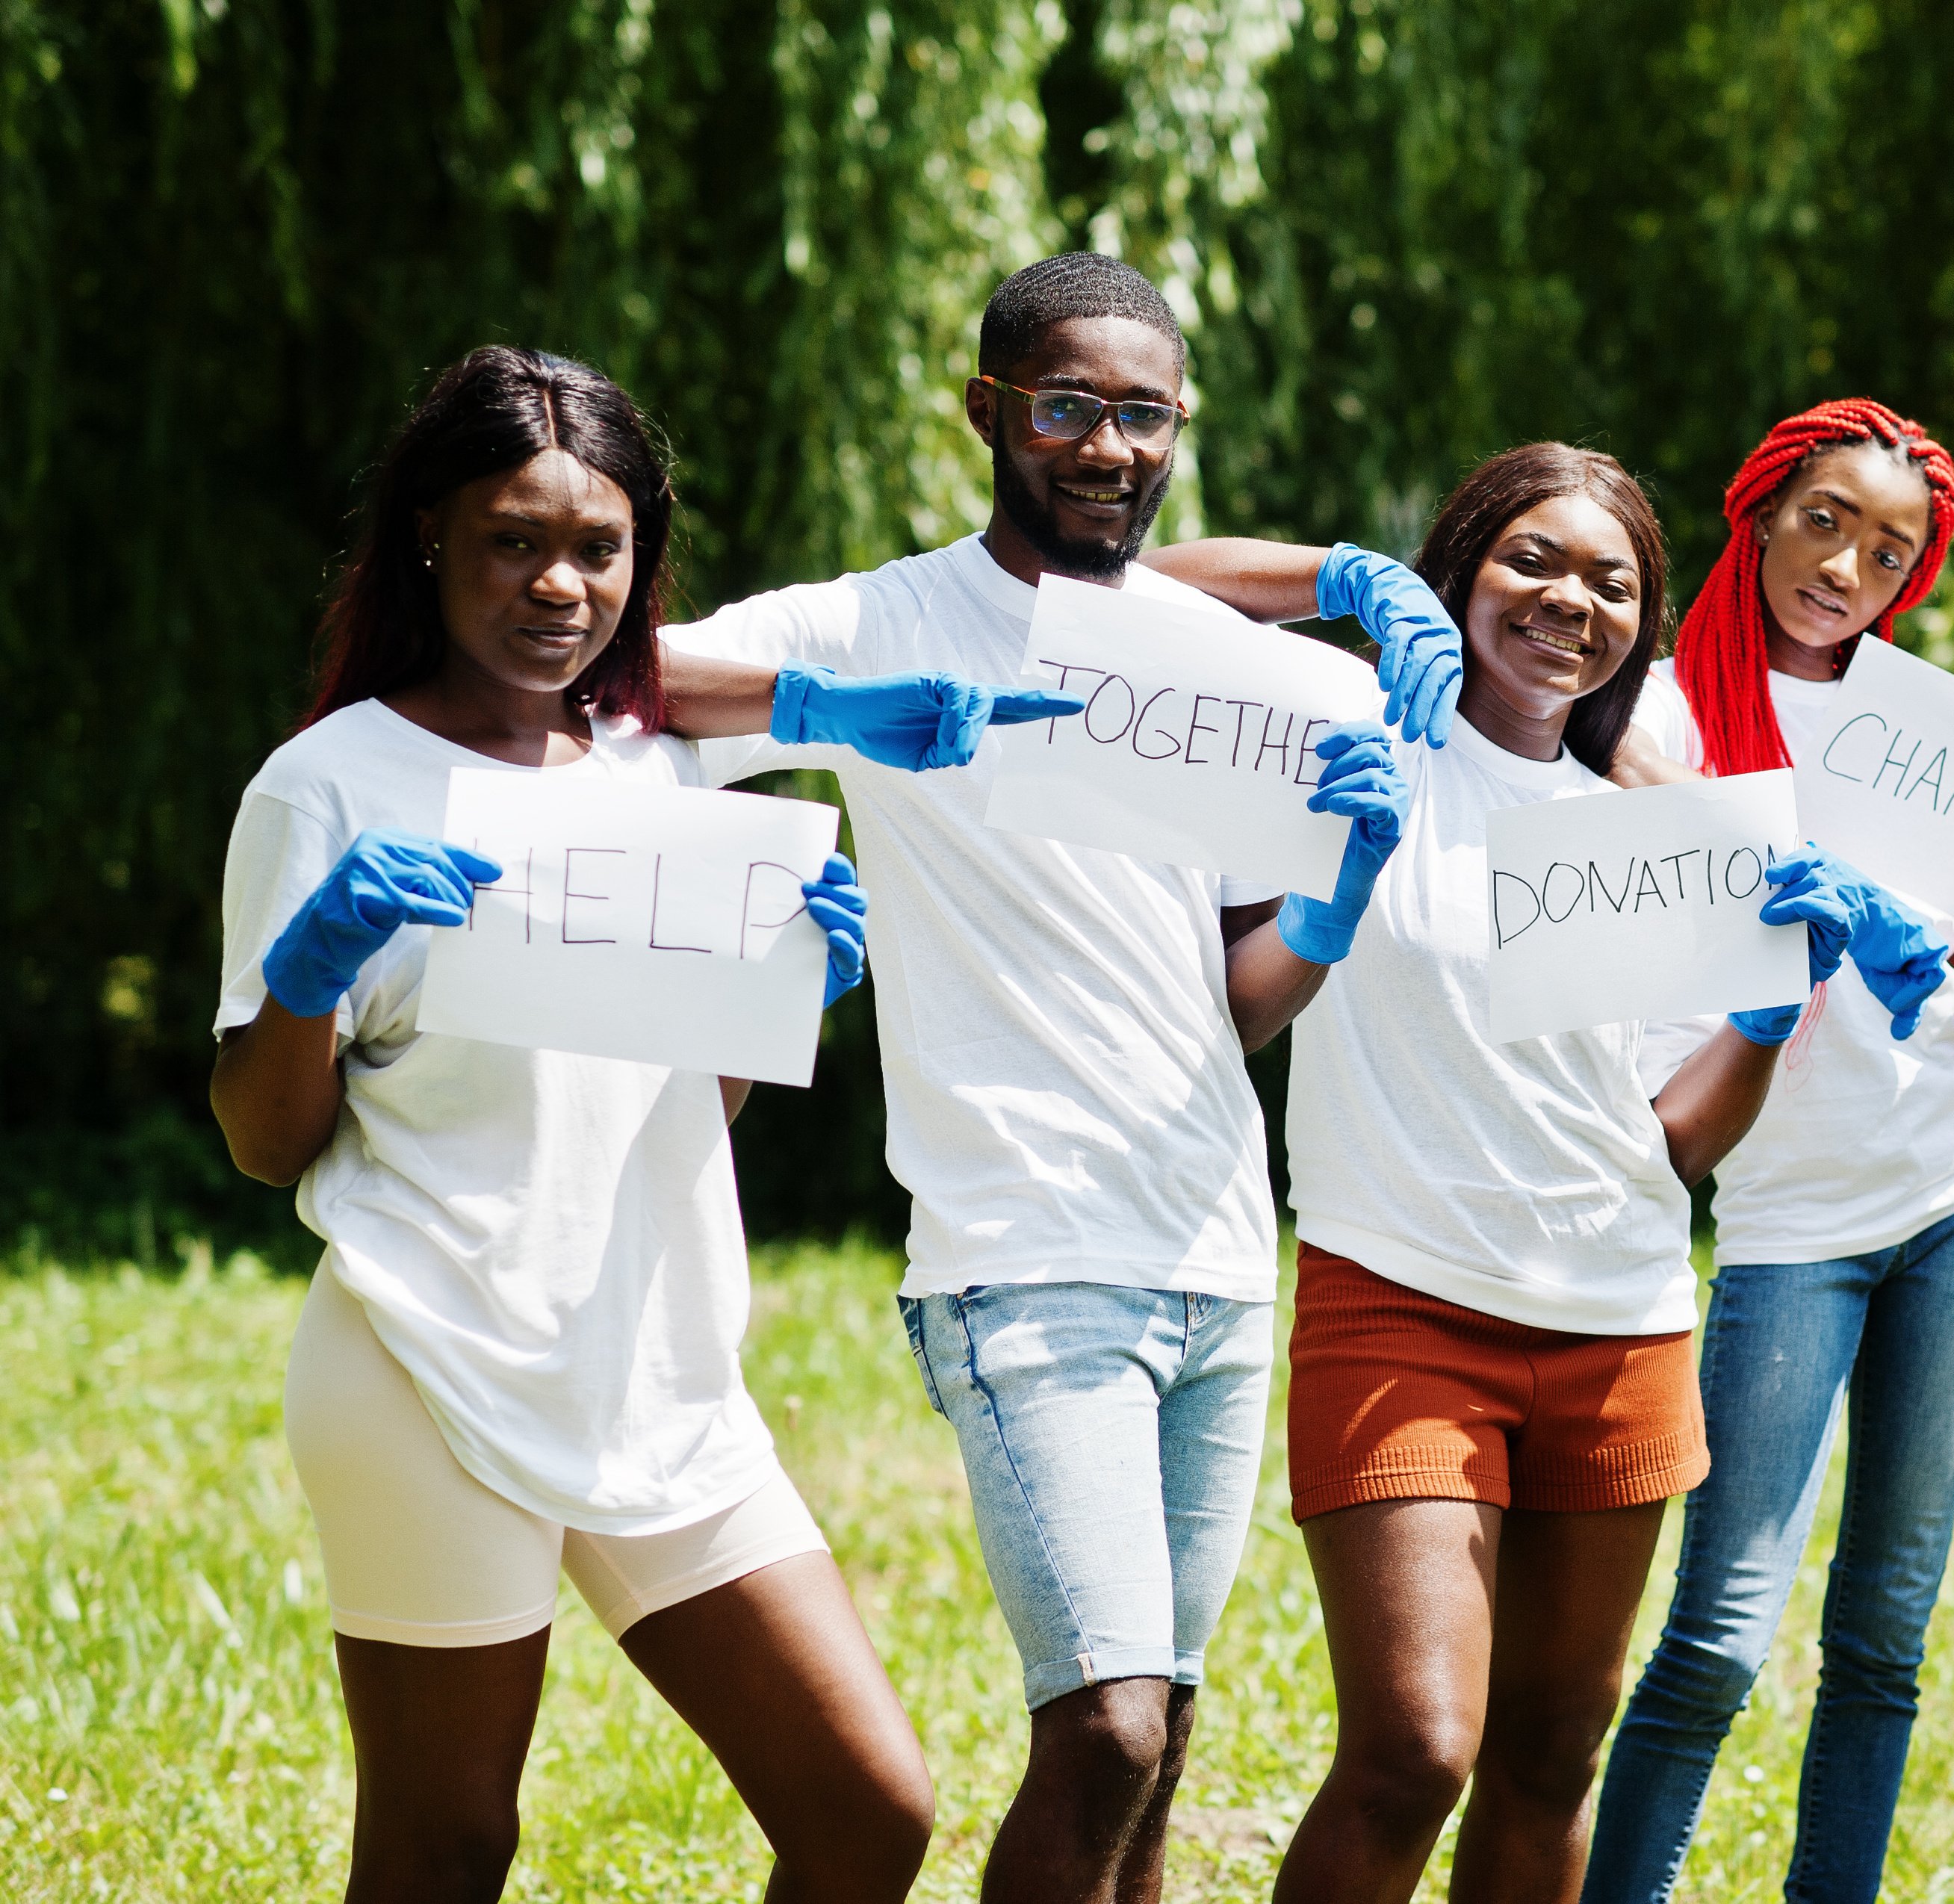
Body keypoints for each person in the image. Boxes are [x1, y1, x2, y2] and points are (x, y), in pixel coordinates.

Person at [650, 252, 1448, 1904]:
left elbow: (1238, 1007)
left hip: (1221, 1265)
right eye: (1066, 409)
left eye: (1140, 414)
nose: (1105, 447)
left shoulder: (1229, 668)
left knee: (1157, 1748)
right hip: (1022, 1256)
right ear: (987, 413)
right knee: (1106, 1731)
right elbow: (610, 673)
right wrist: (820, 710)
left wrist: (1338, 891)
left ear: (1177, 428)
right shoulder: (879, 621)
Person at [208, 346, 935, 1903]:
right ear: (432, 540)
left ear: (641, 564)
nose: (558, 583)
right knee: (446, 1842)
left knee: (868, 1810)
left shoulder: (668, 770)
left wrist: (786, 983)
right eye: (512, 540)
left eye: (596, 547)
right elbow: (267, 1143)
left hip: (656, 1371)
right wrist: (306, 972)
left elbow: (690, 1102)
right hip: (428, 1361)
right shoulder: (323, 786)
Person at [1161, 443, 1879, 1903]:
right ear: (1459, 568)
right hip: (1401, 1311)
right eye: (1530, 560)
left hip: (1621, 1322)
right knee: (1415, 1748)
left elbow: (1679, 1140)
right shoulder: (1348, 733)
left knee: (1551, 1756)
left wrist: (1762, 1010)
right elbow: (1135, 609)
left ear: (1641, 623)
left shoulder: (1654, 830)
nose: (1568, 602)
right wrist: (1341, 585)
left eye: (1611, 584)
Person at [1577, 399, 1954, 1904]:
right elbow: (1635, 832)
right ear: (1755, 511)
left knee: (1883, 1637)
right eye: (1824, 521)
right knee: (1720, 1632)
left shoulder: (1921, 731)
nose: (1847, 568)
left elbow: (1946, 985)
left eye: (1888, 550)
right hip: (1786, 1229)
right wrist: (1784, 894)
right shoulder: (1658, 716)